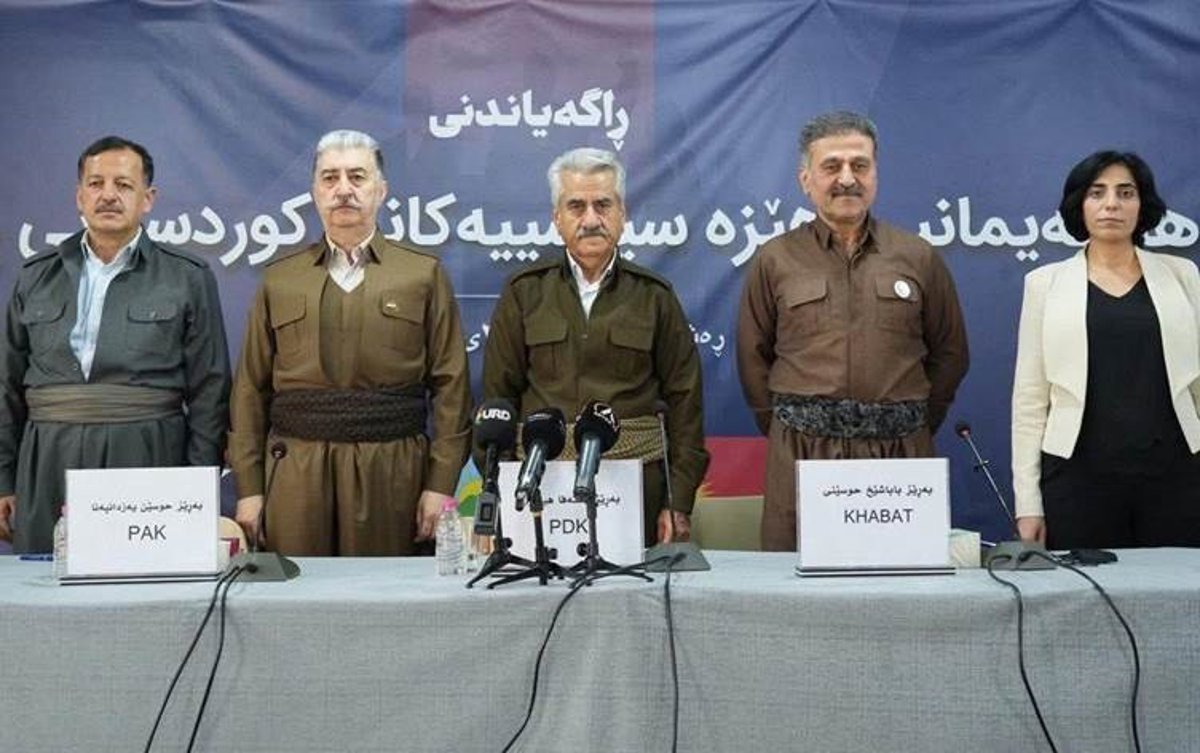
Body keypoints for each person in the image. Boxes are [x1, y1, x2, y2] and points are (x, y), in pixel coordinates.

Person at [228, 129, 471, 556]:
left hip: (394, 470)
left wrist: (440, 484)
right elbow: (250, 389)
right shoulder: (280, 278)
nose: (343, 189)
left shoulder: (422, 274)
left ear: (381, 190)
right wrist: (249, 488)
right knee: (298, 587)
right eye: (330, 178)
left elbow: (452, 387)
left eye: (357, 177)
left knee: (384, 590)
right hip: (296, 472)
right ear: (314, 192)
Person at [737, 111, 969, 551]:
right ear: (806, 180)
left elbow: (951, 352)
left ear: (875, 174)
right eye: (832, 166)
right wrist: (792, 427)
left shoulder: (917, 256)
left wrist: (911, 422)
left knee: (904, 576)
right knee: (792, 579)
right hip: (803, 453)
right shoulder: (774, 259)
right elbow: (753, 357)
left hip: (899, 453)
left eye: (859, 165)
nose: (847, 178)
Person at [0, 135, 231, 553]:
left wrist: (198, 486)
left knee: (142, 579)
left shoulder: (187, 276)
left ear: (148, 199)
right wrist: (3, 478)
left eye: (123, 185)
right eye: (96, 184)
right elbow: (6, 385)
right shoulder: (35, 276)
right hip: (47, 456)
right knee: (41, 578)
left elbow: (210, 391)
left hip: (148, 454)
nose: (108, 195)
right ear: (79, 196)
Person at [482, 147, 709, 544]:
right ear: (557, 218)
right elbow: (497, 401)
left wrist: (678, 501)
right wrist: (499, 489)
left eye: (603, 205)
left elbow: (685, 405)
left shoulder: (654, 296)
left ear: (622, 214)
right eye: (576, 206)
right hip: (540, 489)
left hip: (636, 487)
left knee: (631, 585)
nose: (590, 219)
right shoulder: (524, 292)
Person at [1012, 151, 1200, 549]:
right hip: (1077, 480)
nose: (1111, 204)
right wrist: (1028, 503)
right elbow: (1029, 401)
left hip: (1177, 476)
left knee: (1177, 587)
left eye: (1125, 193)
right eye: (1097, 193)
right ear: (1079, 205)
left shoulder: (1183, 277)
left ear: (1142, 204)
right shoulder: (1044, 284)